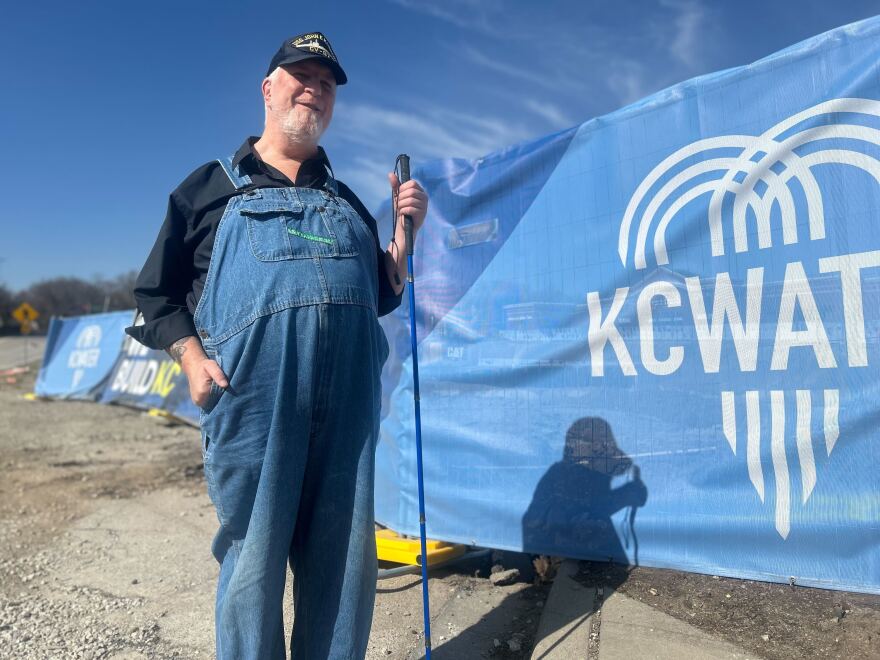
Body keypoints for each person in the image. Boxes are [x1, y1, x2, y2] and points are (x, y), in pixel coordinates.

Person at [126, 31, 428, 659]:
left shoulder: (348, 203)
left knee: (345, 569)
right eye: (302, 76)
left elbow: (379, 295)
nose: (315, 90)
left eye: (327, 84)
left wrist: (405, 244)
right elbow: (156, 296)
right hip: (254, 408)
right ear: (268, 89)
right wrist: (192, 359)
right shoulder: (209, 188)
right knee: (253, 570)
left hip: (347, 416)